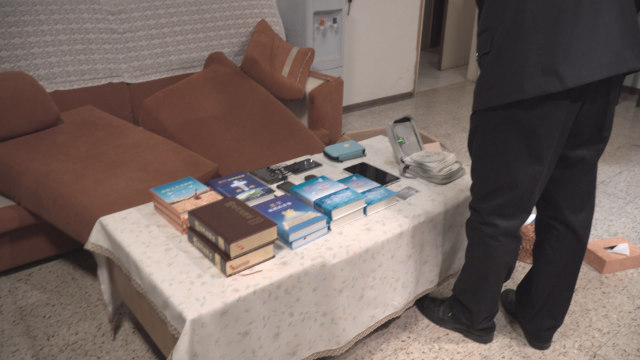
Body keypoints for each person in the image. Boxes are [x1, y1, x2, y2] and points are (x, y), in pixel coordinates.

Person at [415, 0, 640, 350]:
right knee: (569, 202)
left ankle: (471, 311)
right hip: (606, 51)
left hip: (531, 48)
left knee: (500, 202)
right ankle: (540, 318)